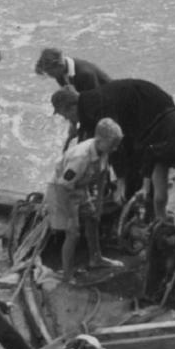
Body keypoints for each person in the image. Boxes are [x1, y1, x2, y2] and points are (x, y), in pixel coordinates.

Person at [50, 78, 175, 201]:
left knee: (137, 159)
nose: (66, 119)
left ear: (71, 108)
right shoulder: (85, 103)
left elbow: (114, 143)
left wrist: (121, 183)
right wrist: (74, 127)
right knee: (130, 162)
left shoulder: (96, 107)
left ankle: (147, 194)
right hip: (137, 109)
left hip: (155, 108)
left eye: (64, 115)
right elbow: (92, 142)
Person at [45, 118, 124, 284]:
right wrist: (71, 218)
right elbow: (64, 186)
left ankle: (96, 258)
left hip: (79, 187)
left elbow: (102, 175)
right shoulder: (81, 157)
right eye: (113, 145)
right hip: (61, 190)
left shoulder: (103, 150)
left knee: (93, 218)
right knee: (73, 233)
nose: (115, 148)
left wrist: (99, 203)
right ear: (99, 140)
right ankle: (67, 275)